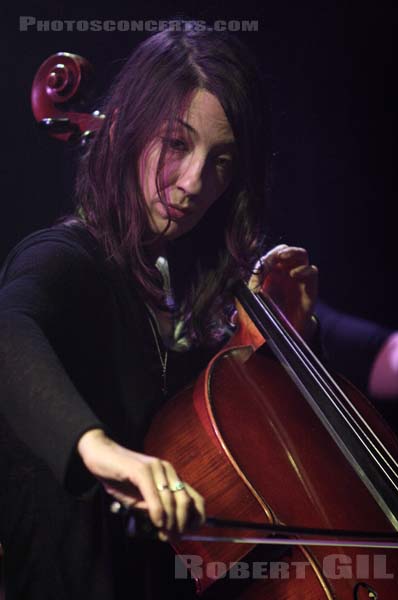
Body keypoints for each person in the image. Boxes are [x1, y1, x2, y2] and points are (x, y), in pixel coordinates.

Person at [0, 23, 319, 599]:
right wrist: (102, 452)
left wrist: (286, 345)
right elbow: (8, 331)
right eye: (176, 143)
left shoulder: (195, 292)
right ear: (124, 131)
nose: (194, 182)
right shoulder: (67, 259)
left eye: (221, 161)